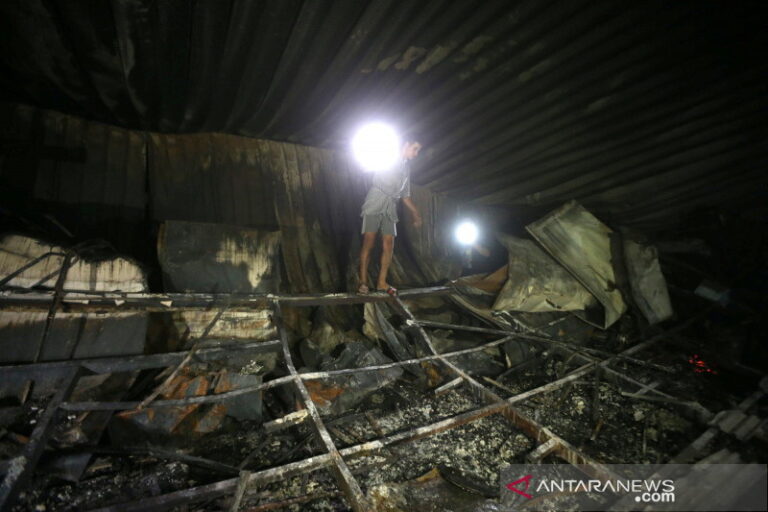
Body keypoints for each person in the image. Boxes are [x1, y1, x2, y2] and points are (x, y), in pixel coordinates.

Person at [357, 139, 423, 295]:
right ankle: (363, 282)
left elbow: (405, 195)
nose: (416, 153)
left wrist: (416, 213)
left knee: (389, 243)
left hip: (391, 206)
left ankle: (381, 282)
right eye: (415, 149)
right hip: (375, 200)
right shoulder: (388, 156)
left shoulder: (406, 168)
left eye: (418, 150)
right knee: (369, 241)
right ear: (406, 145)